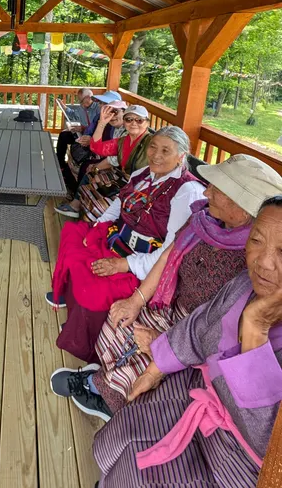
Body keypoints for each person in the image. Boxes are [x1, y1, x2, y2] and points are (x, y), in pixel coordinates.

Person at [52, 154, 282, 420]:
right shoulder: (203, 220)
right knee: (117, 321)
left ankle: (105, 396)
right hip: (171, 306)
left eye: (216, 190)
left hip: (202, 337)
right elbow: (167, 256)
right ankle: (105, 378)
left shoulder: (255, 262)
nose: (206, 191)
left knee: (143, 363)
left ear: (243, 208)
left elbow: (219, 332)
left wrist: (164, 343)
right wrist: (136, 300)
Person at [92, 195, 282, 488]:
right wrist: (156, 368)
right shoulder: (244, 283)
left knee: (146, 475)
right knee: (128, 428)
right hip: (203, 388)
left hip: (241, 461)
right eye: (257, 240)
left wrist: (255, 331)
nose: (264, 262)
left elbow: (269, 444)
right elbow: (200, 324)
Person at [47, 126, 205, 365]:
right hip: (117, 240)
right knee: (73, 239)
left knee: (94, 289)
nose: (156, 155)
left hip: (143, 260)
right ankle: (71, 306)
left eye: (166, 150)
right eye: (153, 146)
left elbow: (169, 252)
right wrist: (97, 226)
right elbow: (118, 205)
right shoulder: (142, 174)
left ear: (181, 156)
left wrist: (124, 265)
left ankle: (86, 344)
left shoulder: (186, 191)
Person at [55, 103, 148, 220]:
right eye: (129, 119)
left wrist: (97, 168)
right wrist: (102, 123)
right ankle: (81, 212)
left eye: (139, 120)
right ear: (125, 121)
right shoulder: (124, 140)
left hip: (140, 188)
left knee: (91, 172)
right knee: (90, 176)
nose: (133, 123)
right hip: (123, 178)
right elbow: (96, 147)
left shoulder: (150, 143)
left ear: (147, 122)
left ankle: (91, 221)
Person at [57, 90, 121, 191]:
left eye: (105, 104)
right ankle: (61, 167)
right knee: (67, 139)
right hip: (93, 143)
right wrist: (86, 136)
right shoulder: (97, 115)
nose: (101, 106)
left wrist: (90, 140)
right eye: (100, 103)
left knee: (85, 163)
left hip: (103, 153)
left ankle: (75, 193)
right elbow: (90, 130)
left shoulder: (116, 122)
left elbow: (110, 144)